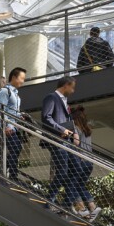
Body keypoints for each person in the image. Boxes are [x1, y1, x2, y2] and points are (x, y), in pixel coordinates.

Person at [41, 77, 78, 210]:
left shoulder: (64, 101)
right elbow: (46, 117)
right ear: (66, 85)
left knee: (76, 169)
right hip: (56, 140)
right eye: (72, 87)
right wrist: (61, 129)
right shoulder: (51, 97)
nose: (73, 91)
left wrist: (74, 133)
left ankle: (67, 203)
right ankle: (50, 200)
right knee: (62, 171)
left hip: (66, 141)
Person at [69, 106, 102, 220]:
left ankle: (82, 209)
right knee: (80, 185)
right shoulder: (87, 130)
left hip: (80, 161)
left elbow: (76, 143)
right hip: (89, 162)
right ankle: (92, 207)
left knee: (71, 184)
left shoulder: (74, 128)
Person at [0, 67, 27, 182]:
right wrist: (6, 126)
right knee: (16, 148)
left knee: (16, 148)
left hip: (13, 127)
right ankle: (13, 176)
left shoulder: (16, 95)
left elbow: (13, 112)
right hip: (6, 127)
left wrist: (20, 116)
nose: (23, 81)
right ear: (14, 77)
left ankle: (0, 171)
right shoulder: (5, 91)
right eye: (21, 78)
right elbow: (1, 110)